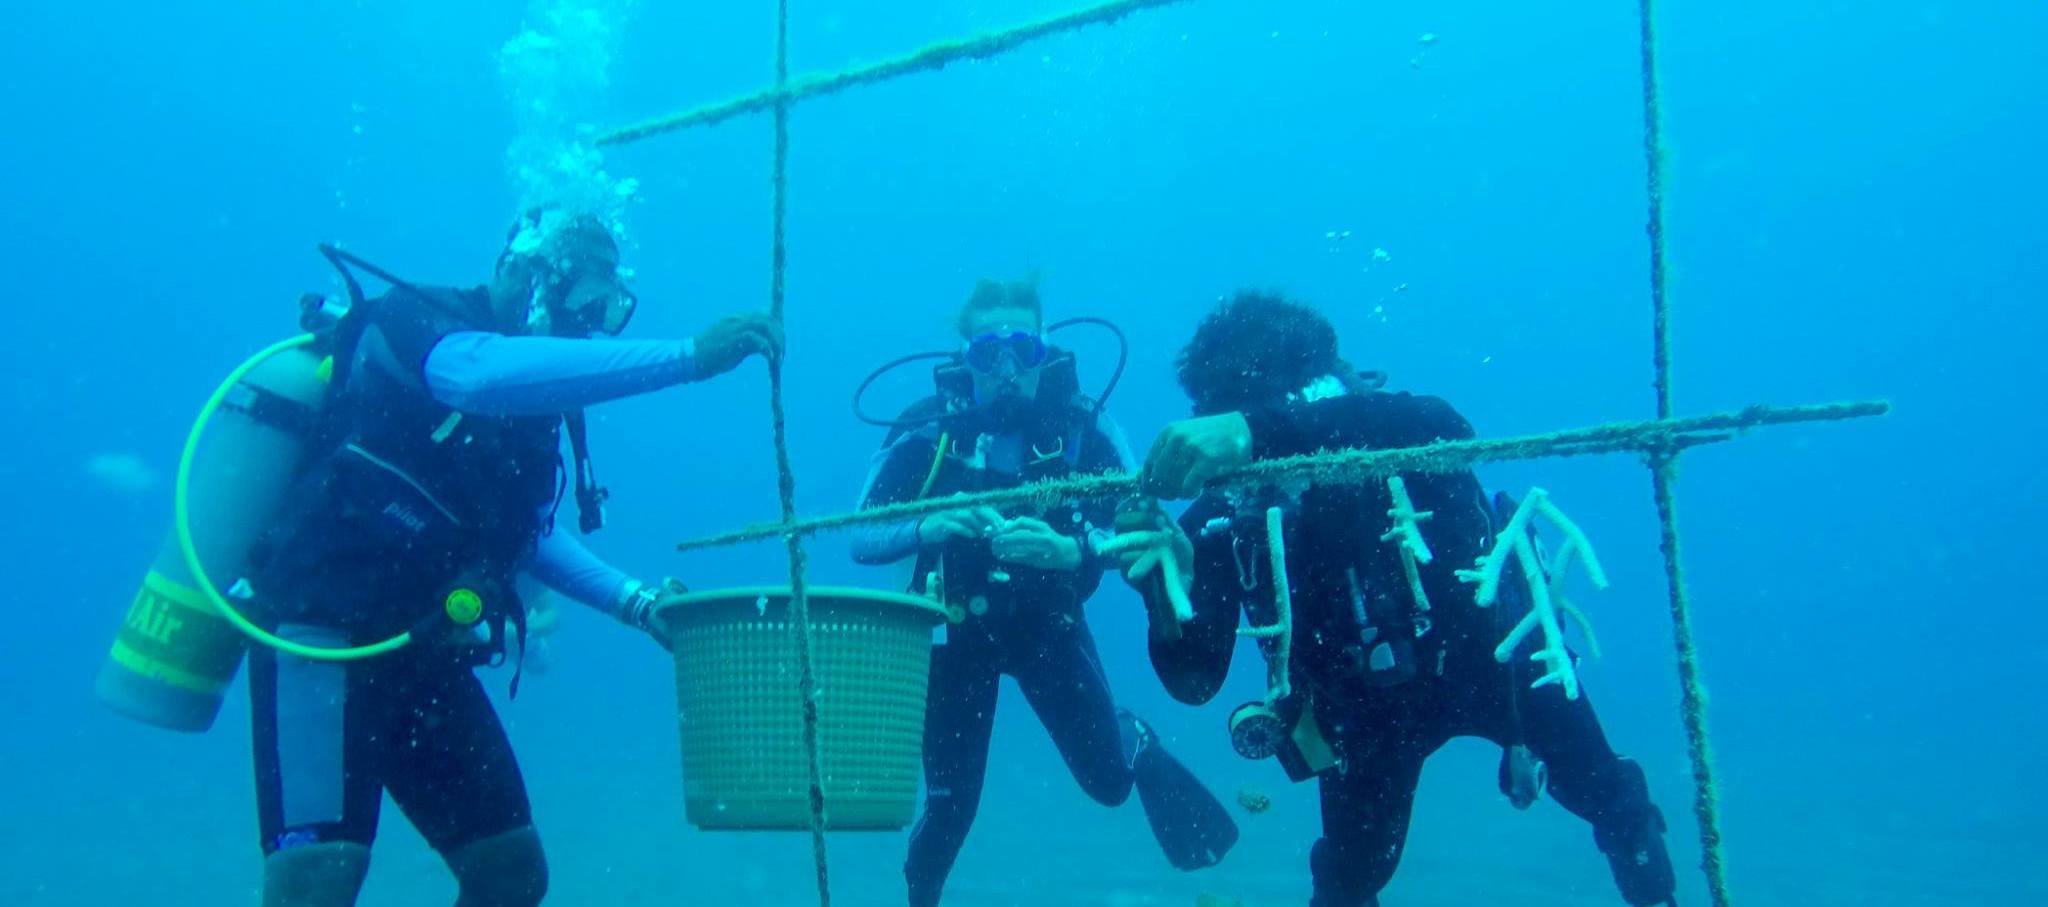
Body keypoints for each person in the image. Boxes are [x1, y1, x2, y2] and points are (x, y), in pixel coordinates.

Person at [245, 208, 783, 907]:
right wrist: (686, 356)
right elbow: (476, 376)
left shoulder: (533, 404)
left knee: (509, 868)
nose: (592, 321)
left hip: (418, 648)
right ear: (522, 272)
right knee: (317, 881)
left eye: (607, 306)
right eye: (585, 298)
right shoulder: (417, 317)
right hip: (319, 636)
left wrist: (638, 602)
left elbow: (527, 532)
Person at [1108, 292, 1677, 907]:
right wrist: (1166, 595)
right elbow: (1194, 682)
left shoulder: (1394, 432)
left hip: (1497, 662)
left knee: (1613, 802)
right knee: (1349, 879)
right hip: (1362, 711)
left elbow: (1445, 424)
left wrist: (1255, 430)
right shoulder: (1225, 516)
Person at [850, 279, 1239, 907]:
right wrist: (931, 523)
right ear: (964, 360)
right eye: (986, 354)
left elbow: (1139, 528)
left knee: (1111, 784)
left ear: (1044, 354)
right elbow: (859, 536)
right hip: (953, 635)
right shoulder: (928, 429)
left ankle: (1131, 737)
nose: (1006, 371)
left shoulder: (1083, 424)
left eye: (1023, 351)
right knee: (950, 809)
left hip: (1046, 625)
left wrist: (1073, 548)